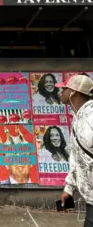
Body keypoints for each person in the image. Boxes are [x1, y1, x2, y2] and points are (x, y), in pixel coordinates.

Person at [56, 74, 93, 227]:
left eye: (64, 88)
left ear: (74, 92)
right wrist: (69, 188)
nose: (61, 91)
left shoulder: (90, 118)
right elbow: (77, 158)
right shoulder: (78, 118)